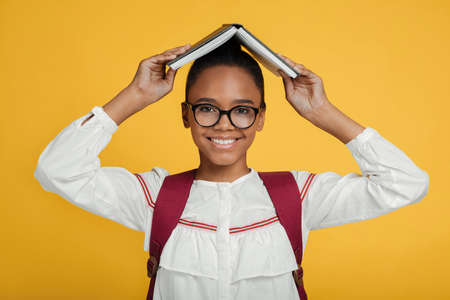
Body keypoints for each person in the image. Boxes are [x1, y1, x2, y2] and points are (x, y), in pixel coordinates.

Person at [34, 36, 429, 300]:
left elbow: (406, 184)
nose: (224, 124)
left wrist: (323, 113)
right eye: (207, 108)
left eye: (242, 110)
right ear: (186, 115)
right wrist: (133, 96)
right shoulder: (155, 199)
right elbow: (57, 170)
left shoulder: (298, 197)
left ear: (260, 118)